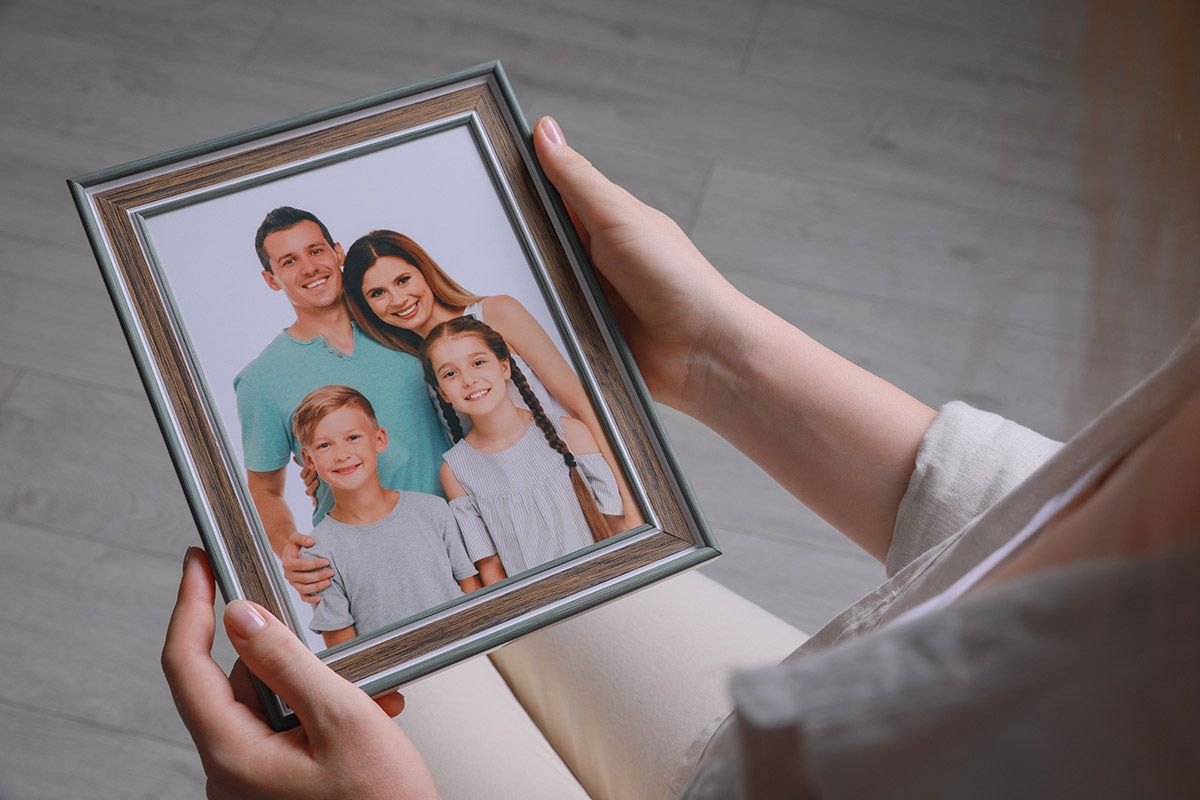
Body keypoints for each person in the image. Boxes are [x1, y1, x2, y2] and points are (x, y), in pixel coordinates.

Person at [164, 115, 1199, 799]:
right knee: (437, 630)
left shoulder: (488, 323)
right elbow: (1045, 512)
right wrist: (709, 352)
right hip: (777, 718)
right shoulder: (299, 375)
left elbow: (565, 421)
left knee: (385, 687)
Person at [340, 228, 643, 534]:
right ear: (366, 306)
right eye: (377, 293)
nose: (398, 299)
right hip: (520, 517)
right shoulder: (418, 367)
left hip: (585, 487)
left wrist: (630, 500)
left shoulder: (495, 313)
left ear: (424, 271)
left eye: (403, 280)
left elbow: (583, 404)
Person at [234, 207, 450, 604]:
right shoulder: (261, 381)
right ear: (271, 279)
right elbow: (263, 488)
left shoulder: (401, 320)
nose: (309, 267)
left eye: (315, 250)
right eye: (289, 261)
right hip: (368, 568)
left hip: (464, 531)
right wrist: (289, 550)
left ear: (338, 252)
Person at [290, 384, 492, 649]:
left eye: (353, 438)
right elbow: (346, 652)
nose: (342, 454)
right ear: (309, 459)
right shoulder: (318, 553)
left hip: (471, 660)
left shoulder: (433, 511)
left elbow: (472, 594)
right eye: (325, 445)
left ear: (379, 440)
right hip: (400, 684)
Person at [423, 316, 622, 576]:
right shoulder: (455, 472)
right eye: (450, 374)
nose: (469, 380)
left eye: (478, 363)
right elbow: (490, 568)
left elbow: (616, 524)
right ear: (443, 393)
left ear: (504, 367)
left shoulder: (571, 434)